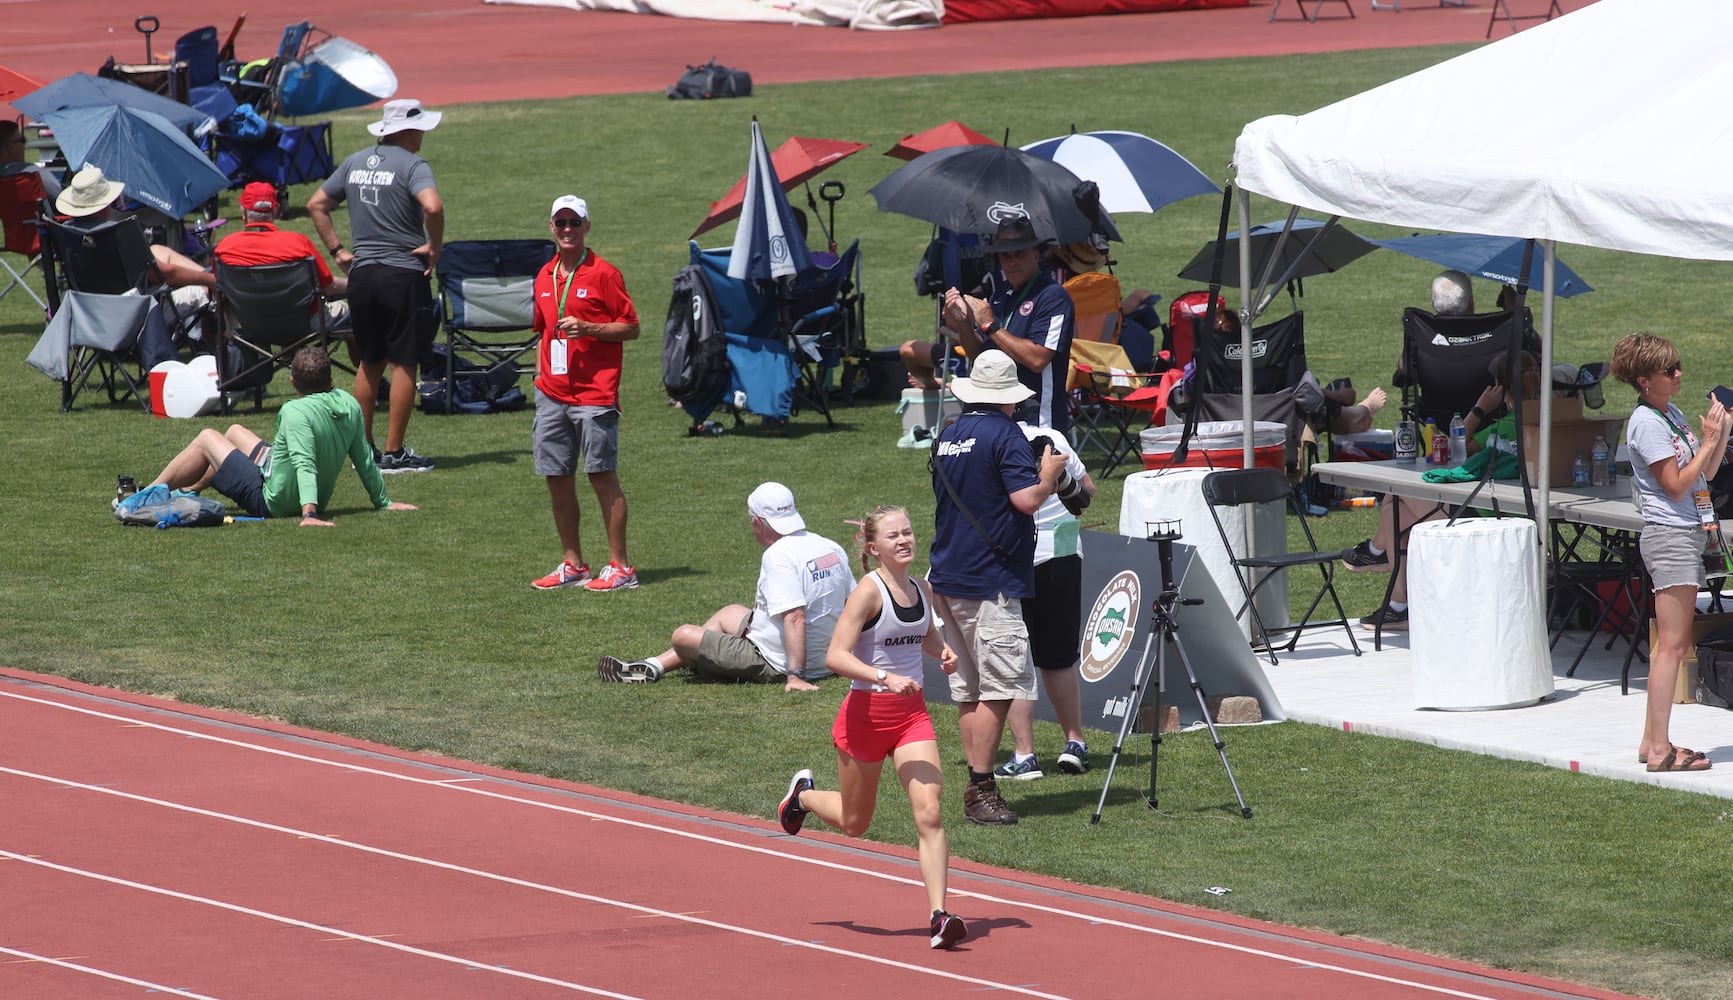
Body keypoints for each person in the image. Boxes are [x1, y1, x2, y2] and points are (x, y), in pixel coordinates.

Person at [775, 504, 967, 950]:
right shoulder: (868, 592)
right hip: (865, 717)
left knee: (931, 812)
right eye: (893, 535)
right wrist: (883, 676)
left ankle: (939, 916)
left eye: (908, 532)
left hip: (911, 717)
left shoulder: (923, 587)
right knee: (855, 823)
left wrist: (944, 653)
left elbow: (924, 633)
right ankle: (802, 796)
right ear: (873, 546)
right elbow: (835, 656)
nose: (904, 540)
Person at [929, 349, 1065, 825]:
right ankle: (980, 790)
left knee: (969, 688)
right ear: (1009, 397)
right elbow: (1025, 500)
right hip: (989, 580)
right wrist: (1047, 478)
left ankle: (975, 785)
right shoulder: (1005, 434)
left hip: (948, 575)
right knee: (1003, 686)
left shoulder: (950, 434)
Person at [1342, 353, 1541, 630]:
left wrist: (1480, 408)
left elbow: (1452, 449)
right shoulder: (1547, 420)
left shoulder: (1503, 426)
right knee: (1394, 511)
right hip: (1516, 521)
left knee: (1397, 495)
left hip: (1486, 522)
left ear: (1496, 385)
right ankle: (1397, 604)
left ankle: (1380, 557)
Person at [596, 482, 854, 691]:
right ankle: (652, 666)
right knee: (730, 612)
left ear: (757, 522)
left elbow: (795, 617)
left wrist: (796, 675)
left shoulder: (778, 555)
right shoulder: (828, 546)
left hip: (776, 661)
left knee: (683, 636)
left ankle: (658, 665)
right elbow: (853, 606)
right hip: (827, 658)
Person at [307, 98, 445, 474]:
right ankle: (394, 453)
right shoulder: (414, 165)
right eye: (419, 127)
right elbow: (432, 207)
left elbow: (317, 203)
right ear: (405, 130)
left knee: (370, 362)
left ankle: (363, 450)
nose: (423, 134)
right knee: (404, 363)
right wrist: (434, 246)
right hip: (402, 275)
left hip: (362, 277)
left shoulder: (354, 162)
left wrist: (337, 249)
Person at [1612, 332, 1725, 774]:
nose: (1678, 375)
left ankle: (1650, 742)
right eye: (1668, 370)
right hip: (1670, 536)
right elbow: (1675, 484)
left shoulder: (1670, 413)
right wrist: (1708, 440)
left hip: (1687, 532)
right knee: (1672, 648)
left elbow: (1704, 476)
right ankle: (1660, 751)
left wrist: (1716, 438)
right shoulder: (1645, 423)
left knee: (1674, 646)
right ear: (1644, 380)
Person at [137, 346, 416, 525]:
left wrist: (309, 514)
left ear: (293, 381)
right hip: (286, 479)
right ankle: (186, 492)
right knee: (233, 432)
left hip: (272, 502)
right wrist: (383, 502)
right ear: (330, 380)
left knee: (208, 437)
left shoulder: (295, 412)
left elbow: (305, 464)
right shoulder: (349, 404)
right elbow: (365, 459)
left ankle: (147, 494)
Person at [528, 195, 642, 592]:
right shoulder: (544, 276)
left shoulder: (605, 274)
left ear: (586, 227)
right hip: (552, 394)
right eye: (560, 222)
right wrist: (542, 376)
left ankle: (621, 568)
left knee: (601, 476)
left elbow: (631, 327)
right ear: (551, 227)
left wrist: (590, 328)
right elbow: (542, 330)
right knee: (557, 478)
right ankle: (573, 563)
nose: (567, 230)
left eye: (574, 223)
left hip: (595, 394)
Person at [994, 411, 1097, 781]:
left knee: (1015, 659)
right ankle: (1075, 743)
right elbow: (1087, 494)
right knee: (1059, 658)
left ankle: (1024, 755)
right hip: (1064, 551)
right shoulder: (1053, 435)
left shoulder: (989, 441)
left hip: (1017, 558)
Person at [53, 166, 214, 293]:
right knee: (205, 291)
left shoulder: (67, 232)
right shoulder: (118, 233)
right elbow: (161, 274)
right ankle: (222, 318)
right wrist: (208, 280)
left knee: (158, 250)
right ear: (104, 205)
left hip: (89, 307)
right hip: (134, 308)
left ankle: (211, 275)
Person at [0, 120, 61, 200]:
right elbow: (59, 197)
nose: (25, 145)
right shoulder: (32, 173)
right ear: (10, 148)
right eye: (22, 140)